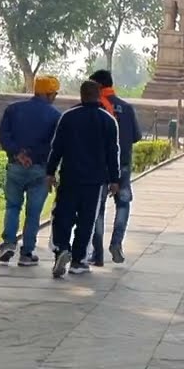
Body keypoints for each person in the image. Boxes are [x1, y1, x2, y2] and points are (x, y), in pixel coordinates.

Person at [45, 80, 120, 278]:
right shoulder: (108, 120)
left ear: (81, 95)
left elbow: (57, 147)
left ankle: (61, 249)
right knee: (87, 220)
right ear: (98, 95)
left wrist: (50, 172)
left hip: (70, 176)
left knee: (63, 216)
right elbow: (113, 152)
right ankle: (78, 260)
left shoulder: (68, 117)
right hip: (94, 181)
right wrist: (115, 179)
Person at [0, 74, 62, 266]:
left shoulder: (13, 109)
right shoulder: (55, 116)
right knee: (33, 213)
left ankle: (8, 243)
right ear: (49, 94)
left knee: (12, 206)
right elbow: (54, 144)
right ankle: (27, 253)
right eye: (54, 94)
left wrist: (18, 154)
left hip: (16, 166)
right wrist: (37, 159)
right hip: (40, 168)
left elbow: (3, 134)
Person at [86, 69, 141, 265]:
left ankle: (97, 253)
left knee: (97, 208)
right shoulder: (126, 107)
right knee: (123, 203)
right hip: (122, 164)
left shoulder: (93, 108)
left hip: (99, 166)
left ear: (99, 86)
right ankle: (116, 242)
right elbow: (135, 137)